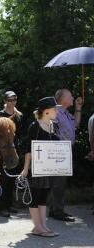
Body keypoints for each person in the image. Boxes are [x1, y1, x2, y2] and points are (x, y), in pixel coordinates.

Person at [20, 97, 60, 237]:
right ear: (47, 111)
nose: (57, 111)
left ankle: (42, 226)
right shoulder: (34, 126)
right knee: (35, 197)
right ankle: (38, 227)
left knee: (44, 197)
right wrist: (26, 168)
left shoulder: (53, 126)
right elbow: (28, 149)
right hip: (36, 169)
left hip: (48, 169)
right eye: (55, 109)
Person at [48, 89, 83, 222]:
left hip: (66, 151)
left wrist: (78, 108)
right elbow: (49, 128)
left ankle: (55, 209)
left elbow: (76, 124)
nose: (73, 97)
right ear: (62, 99)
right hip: (58, 151)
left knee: (61, 182)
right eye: (70, 96)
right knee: (58, 181)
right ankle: (57, 211)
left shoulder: (66, 112)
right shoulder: (55, 112)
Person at [0, 91, 23, 217]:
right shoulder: (0, 115)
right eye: (10, 100)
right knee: (3, 180)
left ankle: (9, 204)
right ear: (5, 101)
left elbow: (20, 134)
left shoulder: (18, 116)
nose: (12, 102)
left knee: (12, 178)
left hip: (14, 150)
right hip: (3, 151)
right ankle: (1, 207)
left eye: (14, 99)